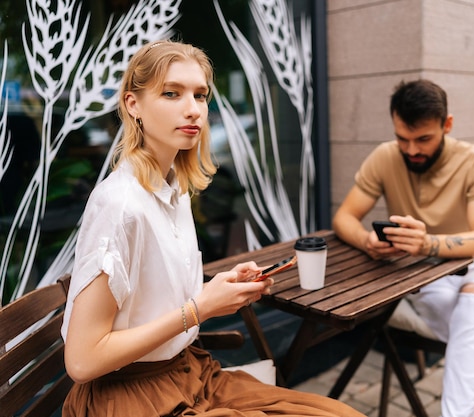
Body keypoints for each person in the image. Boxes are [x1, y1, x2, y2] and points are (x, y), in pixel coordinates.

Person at [61, 40, 365, 417]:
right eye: (171, 93)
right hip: (130, 397)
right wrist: (199, 309)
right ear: (132, 105)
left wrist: (216, 291)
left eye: (200, 95)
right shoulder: (120, 205)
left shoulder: (172, 188)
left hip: (190, 373)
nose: (193, 110)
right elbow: (82, 360)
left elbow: (148, 302)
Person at [332, 79, 474, 417]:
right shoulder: (385, 156)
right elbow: (344, 217)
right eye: (402, 138)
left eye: (423, 139)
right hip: (423, 275)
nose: (412, 150)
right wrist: (367, 242)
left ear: (447, 125)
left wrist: (428, 242)